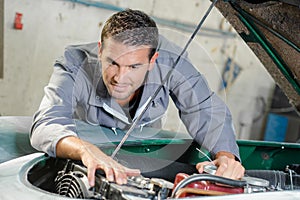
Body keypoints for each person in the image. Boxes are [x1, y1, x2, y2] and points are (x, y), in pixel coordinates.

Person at [30, 9, 244, 187]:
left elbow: (204, 109)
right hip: (88, 157)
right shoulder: (74, 64)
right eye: (112, 62)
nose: (120, 78)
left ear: (153, 61)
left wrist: (225, 157)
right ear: (100, 50)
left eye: (134, 66)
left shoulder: (173, 62)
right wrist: (86, 150)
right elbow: (47, 124)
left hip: (146, 157)